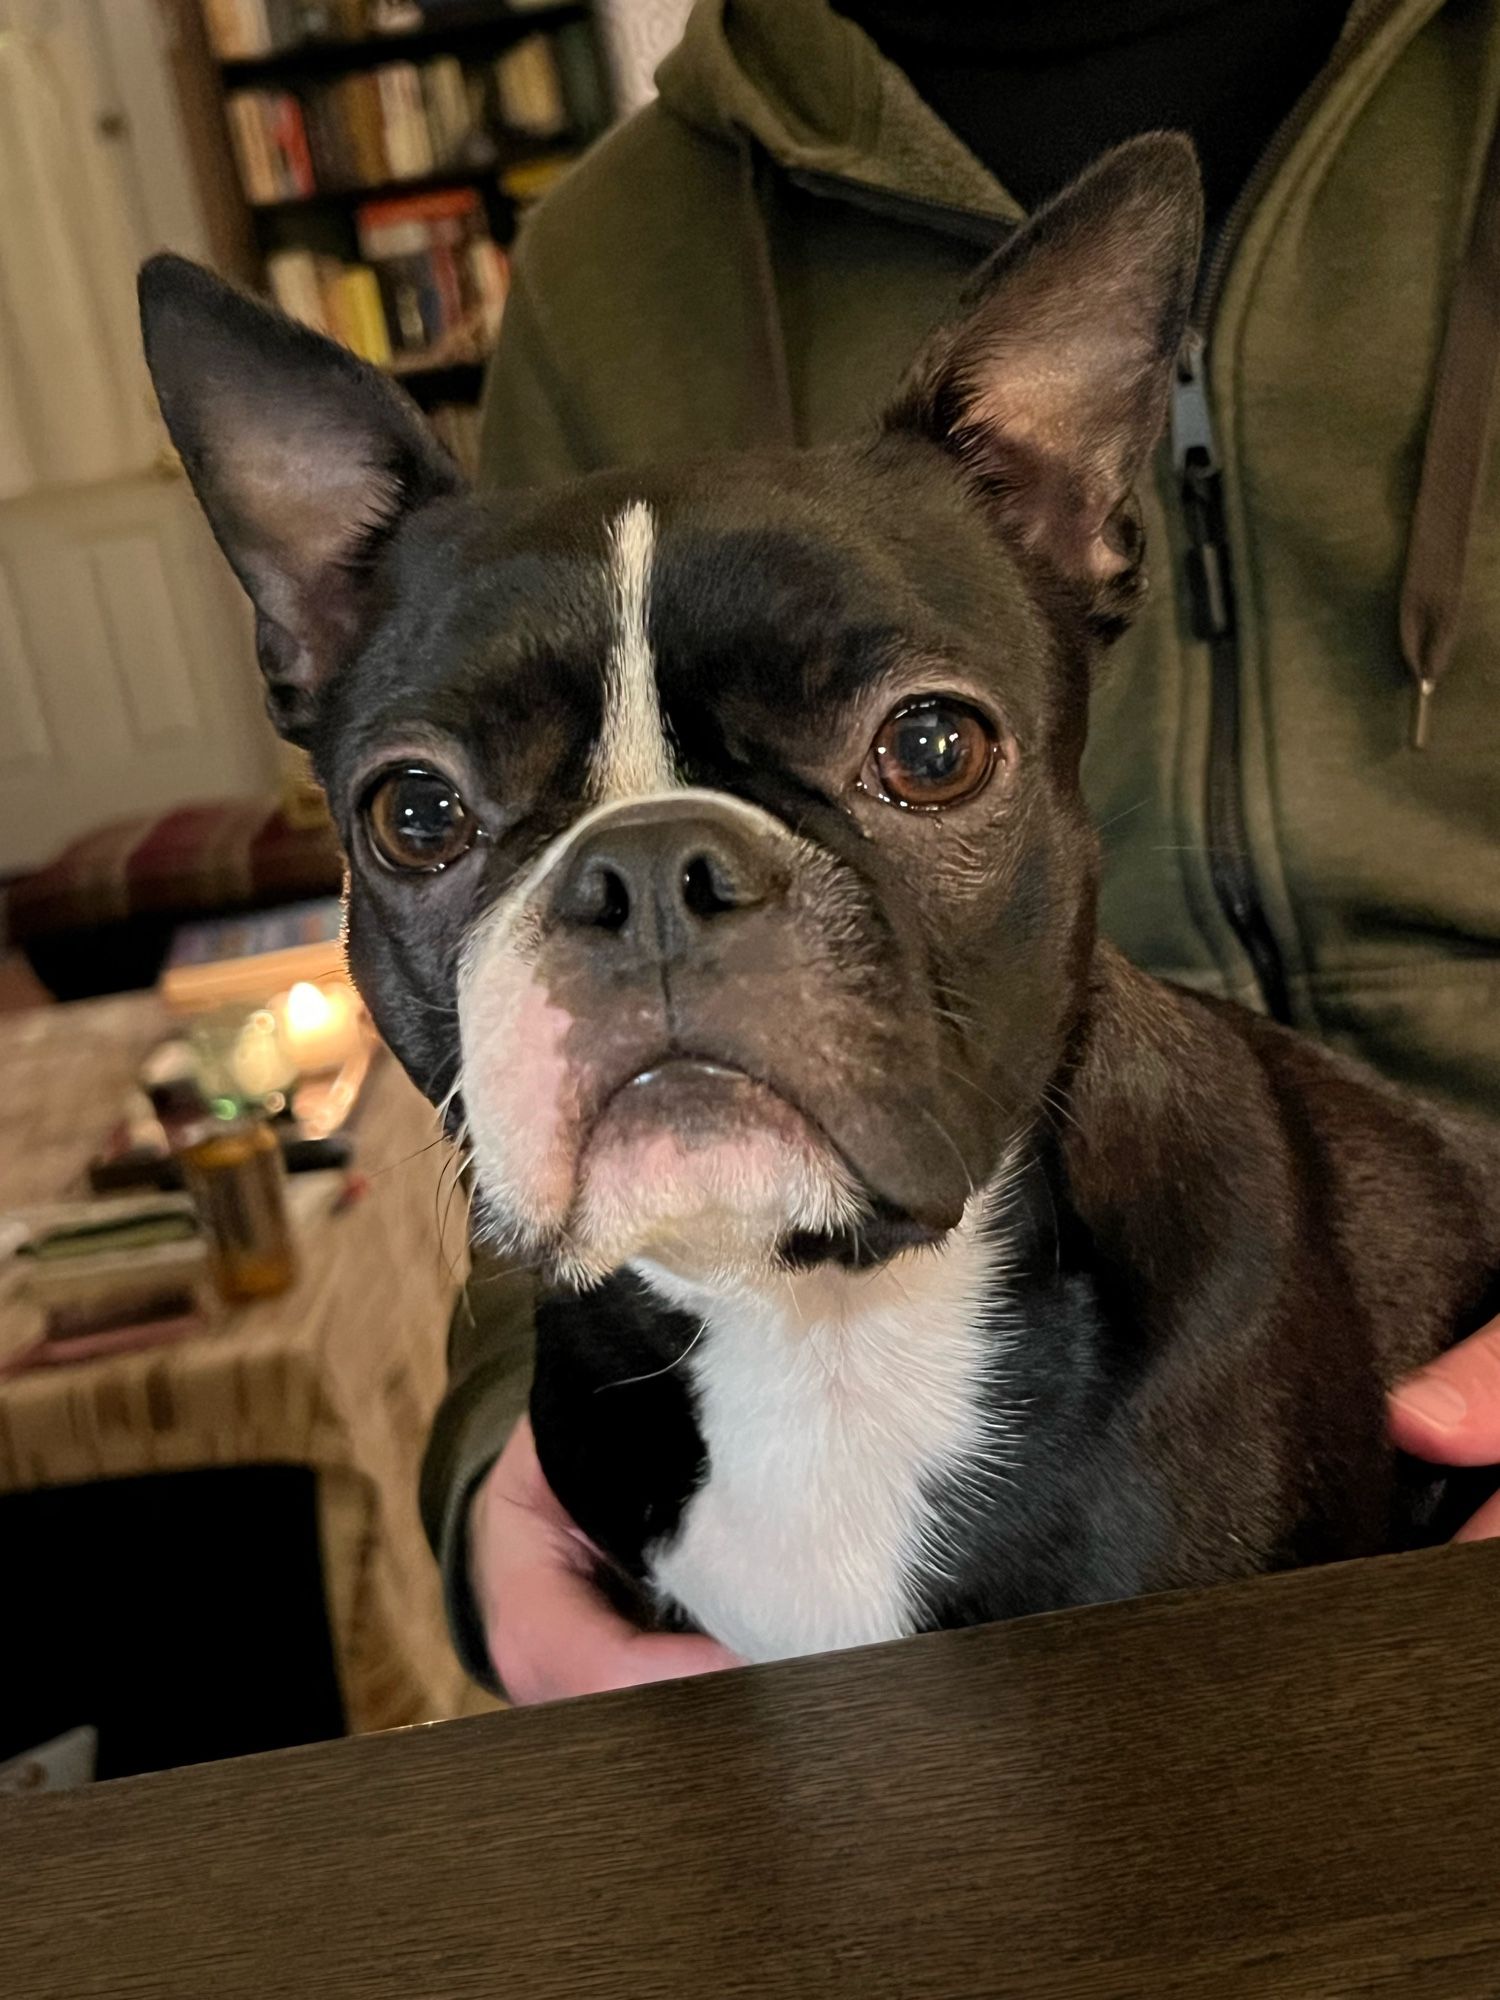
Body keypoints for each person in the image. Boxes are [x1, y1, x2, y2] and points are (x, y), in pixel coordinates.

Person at [419, 0, 1500, 1703]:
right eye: (423, 817)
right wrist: (499, 1474)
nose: (663, 902)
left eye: (922, 750)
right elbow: (522, 1032)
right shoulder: (614, 255)